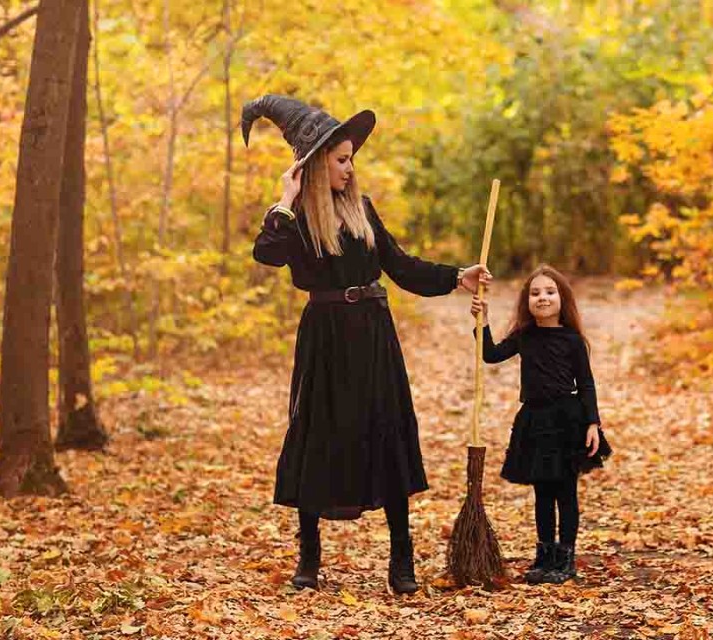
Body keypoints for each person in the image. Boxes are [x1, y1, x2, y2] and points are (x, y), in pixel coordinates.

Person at [241, 94, 491, 593]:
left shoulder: (363, 210)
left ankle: (402, 560)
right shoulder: (295, 220)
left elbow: (401, 266)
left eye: (350, 159)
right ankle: (309, 559)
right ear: (315, 165)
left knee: (385, 432)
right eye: (340, 160)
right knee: (317, 435)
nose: (350, 169)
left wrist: (455, 277)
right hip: (325, 338)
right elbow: (265, 254)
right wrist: (285, 198)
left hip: (373, 335)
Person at [468, 265, 611, 584]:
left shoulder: (573, 340)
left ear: (562, 299)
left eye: (549, 292)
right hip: (535, 419)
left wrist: (592, 423)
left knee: (566, 492)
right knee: (543, 492)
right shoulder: (525, 336)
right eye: (535, 293)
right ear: (526, 301)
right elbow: (490, 355)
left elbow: (586, 384)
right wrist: (482, 320)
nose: (542, 298)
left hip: (567, 421)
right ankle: (545, 557)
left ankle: (566, 559)